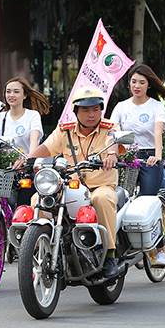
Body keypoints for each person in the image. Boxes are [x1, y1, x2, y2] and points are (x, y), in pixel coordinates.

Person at [27, 87, 121, 277]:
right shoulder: (65, 131)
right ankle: (42, 248)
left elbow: (115, 145)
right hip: (71, 187)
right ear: (76, 111)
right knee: (38, 199)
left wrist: (111, 155)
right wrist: (26, 160)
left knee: (102, 199)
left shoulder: (111, 127)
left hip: (100, 186)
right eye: (85, 110)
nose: (91, 114)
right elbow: (46, 148)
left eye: (95, 109)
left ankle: (109, 254)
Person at [110, 64, 165, 267]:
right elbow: (113, 131)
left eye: (142, 82)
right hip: (126, 158)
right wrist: (115, 148)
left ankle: (161, 250)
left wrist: (157, 155)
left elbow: (157, 132)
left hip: (148, 157)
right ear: (129, 84)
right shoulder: (121, 107)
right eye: (133, 82)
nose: (137, 86)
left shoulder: (156, 106)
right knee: (118, 201)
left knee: (147, 202)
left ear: (148, 85)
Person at [0, 77, 49, 159]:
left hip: (25, 167)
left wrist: (30, 158)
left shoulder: (33, 115)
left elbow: (34, 139)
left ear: (24, 95)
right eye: (8, 92)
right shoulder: (0, 117)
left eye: (16, 92)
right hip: (5, 168)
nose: (11, 95)